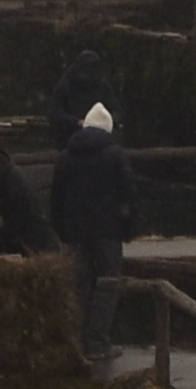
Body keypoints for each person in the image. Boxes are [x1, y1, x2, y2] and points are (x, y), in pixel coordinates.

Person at [44, 102, 137, 365]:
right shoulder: (114, 154)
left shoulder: (66, 155)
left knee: (80, 284)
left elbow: (56, 197)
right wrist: (130, 228)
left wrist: (60, 229)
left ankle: (79, 340)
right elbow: (129, 193)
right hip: (108, 230)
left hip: (75, 231)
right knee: (108, 283)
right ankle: (98, 341)